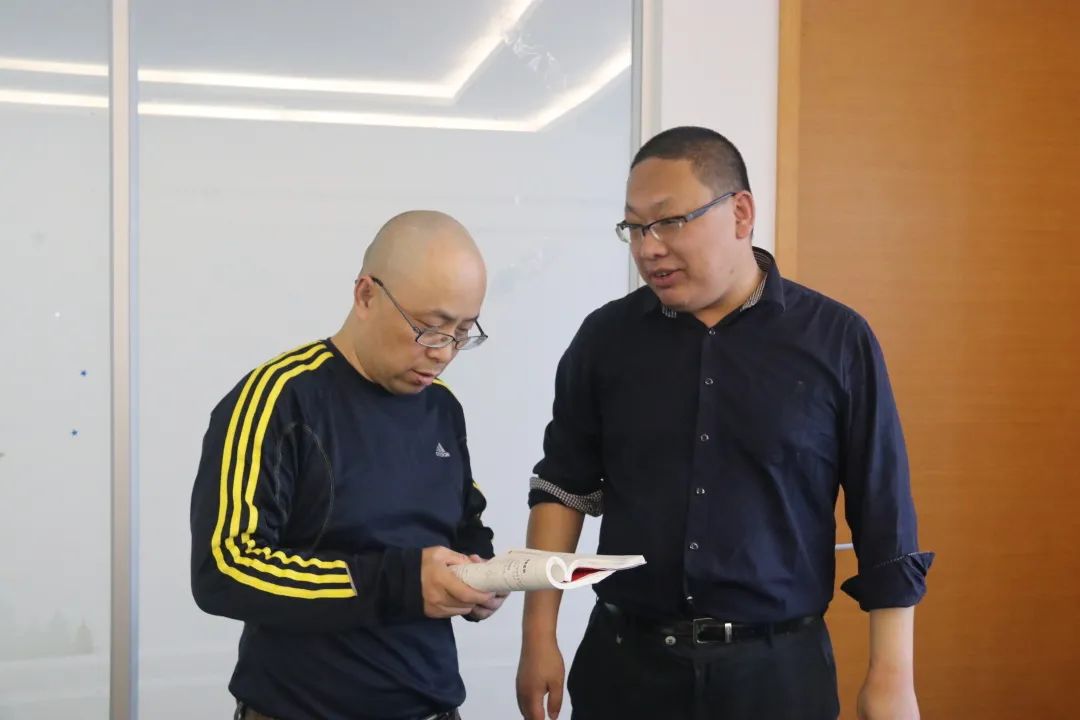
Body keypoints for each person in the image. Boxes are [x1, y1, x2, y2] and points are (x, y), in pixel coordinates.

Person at [516, 127, 934, 720]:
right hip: (627, 665)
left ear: (740, 213)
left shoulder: (837, 340)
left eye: (669, 222)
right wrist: (538, 637)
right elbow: (564, 488)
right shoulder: (606, 340)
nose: (649, 248)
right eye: (634, 228)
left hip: (777, 675)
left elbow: (883, 513)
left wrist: (892, 678)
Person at [190, 210, 506, 720]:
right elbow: (225, 568)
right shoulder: (278, 400)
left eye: (463, 333)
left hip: (431, 706)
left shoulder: (442, 407)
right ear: (365, 295)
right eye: (429, 329)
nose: (444, 353)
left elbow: (465, 523)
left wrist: (482, 575)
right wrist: (402, 583)